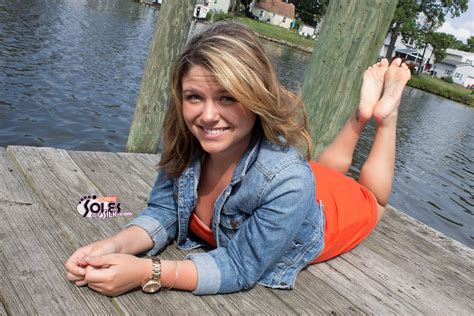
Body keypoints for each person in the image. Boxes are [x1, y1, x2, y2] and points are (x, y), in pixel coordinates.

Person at [65, 22, 411, 296]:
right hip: (304, 181)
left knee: (374, 200)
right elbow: (164, 211)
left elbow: (240, 267)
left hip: (332, 213)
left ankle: (385, 116)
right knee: (321, 168)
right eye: (194, 97)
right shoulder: (189, 143)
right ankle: (360, 115)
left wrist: (149, 272)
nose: (208, 116)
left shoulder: (287, 180)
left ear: (256, 96)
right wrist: (116, 244)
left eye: (228, 97)